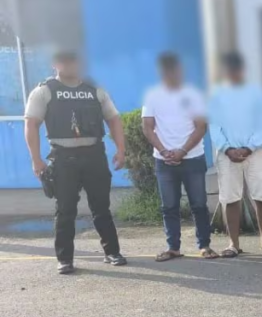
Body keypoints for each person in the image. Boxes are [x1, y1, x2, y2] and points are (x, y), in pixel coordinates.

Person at [24, 51, 128, 274]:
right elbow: (31, 124)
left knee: (101, 207)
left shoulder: (95, 89)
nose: (70, 64)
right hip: (63, 159)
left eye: (74, 60)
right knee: (65, 210)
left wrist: (121, 150)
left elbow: (113, 119)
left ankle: (112, 252)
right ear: (55, 63)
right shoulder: (44, 91)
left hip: (94, 156)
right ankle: (65, 259)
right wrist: (36, 159)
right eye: (64, 60)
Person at [142, 52, 217, 262]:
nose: (171, 74)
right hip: (164, 161)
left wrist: (182, 151)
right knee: (169, 207)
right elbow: (147, 127)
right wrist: (163, 151)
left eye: (174, 70)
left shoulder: (193, 95)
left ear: (180, 70)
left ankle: (205, 245)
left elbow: (201, 127)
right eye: (166, 71)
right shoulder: (152, 96)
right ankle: (173, 247)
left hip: (192, 158)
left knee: (199, 205)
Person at [208, 52, 262, 257]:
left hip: (254, 153)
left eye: (236, 70)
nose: (232, 74)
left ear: (242, 70)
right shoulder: (217, 95)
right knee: (230, 198)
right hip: (227, 154)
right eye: (229, 70)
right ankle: (233, 244)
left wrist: (249, 148)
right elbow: (214, 127)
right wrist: (228, 149)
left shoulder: (256, 93)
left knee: (261, 196)